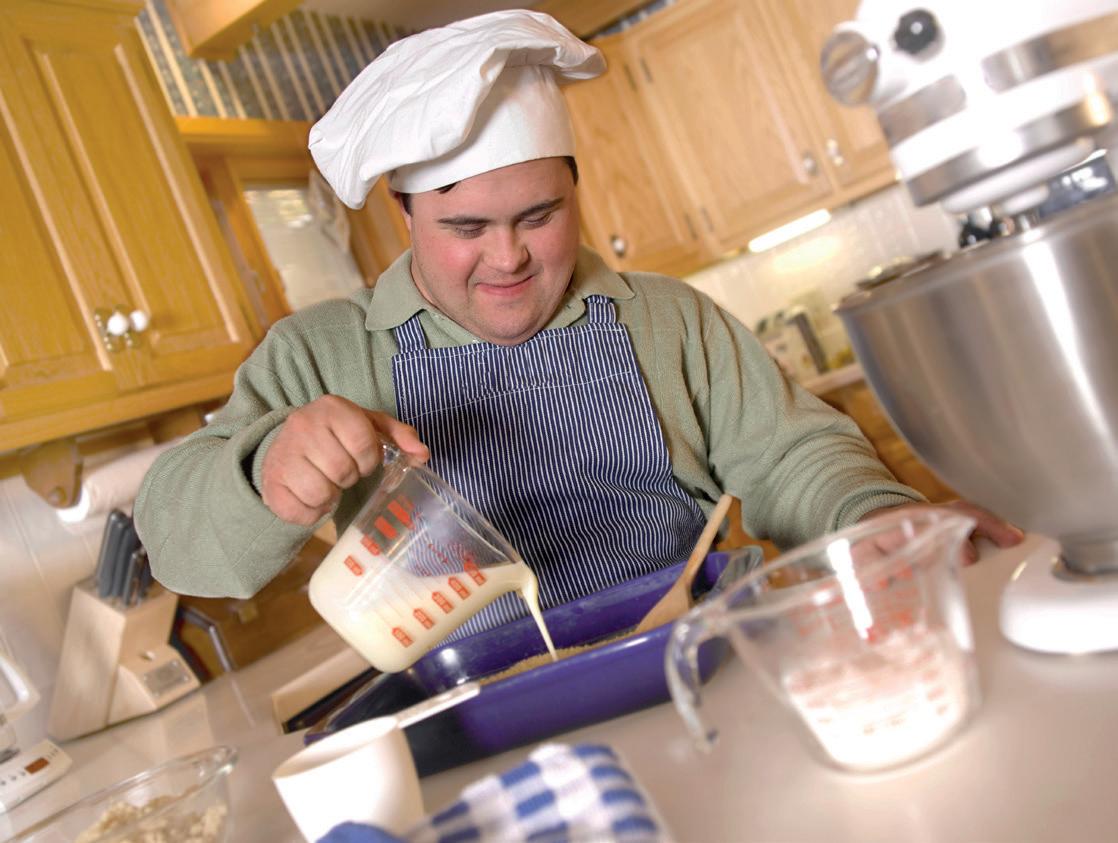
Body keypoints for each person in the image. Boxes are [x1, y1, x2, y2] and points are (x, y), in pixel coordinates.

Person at [134, 10, 1020, 636]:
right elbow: (176, 545)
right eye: (467, 228)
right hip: (490, 717)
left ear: (575, 189)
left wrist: (874, 522)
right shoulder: (321, 355)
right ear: (405, 217)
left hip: (714, 651)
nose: (509, 257)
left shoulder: (666, 318)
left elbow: (794, 457)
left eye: (540, 215)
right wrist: (265, 474)